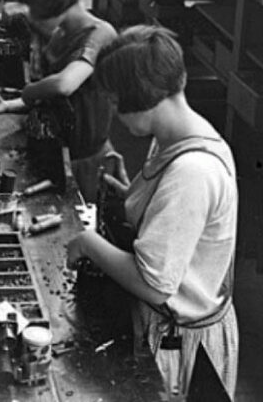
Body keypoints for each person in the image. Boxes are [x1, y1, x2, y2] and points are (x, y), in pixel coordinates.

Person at [67, 25, 238, 399]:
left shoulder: (192, 171)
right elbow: (176, 226)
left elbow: (155, 285)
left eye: (114, 102)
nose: (113, 114)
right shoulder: (177, 137)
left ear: (140, 98)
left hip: (178, 343)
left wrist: (89, 243)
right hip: (161, 322)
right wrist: (131, 195)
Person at [0, 0, 117, 199]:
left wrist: (29, 91)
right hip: (54, 149)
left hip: (85, 160)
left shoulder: (101, 35)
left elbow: (64, 84)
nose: (31, 15)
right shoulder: (60, 35)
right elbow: (49, 98)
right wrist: (7, 106)